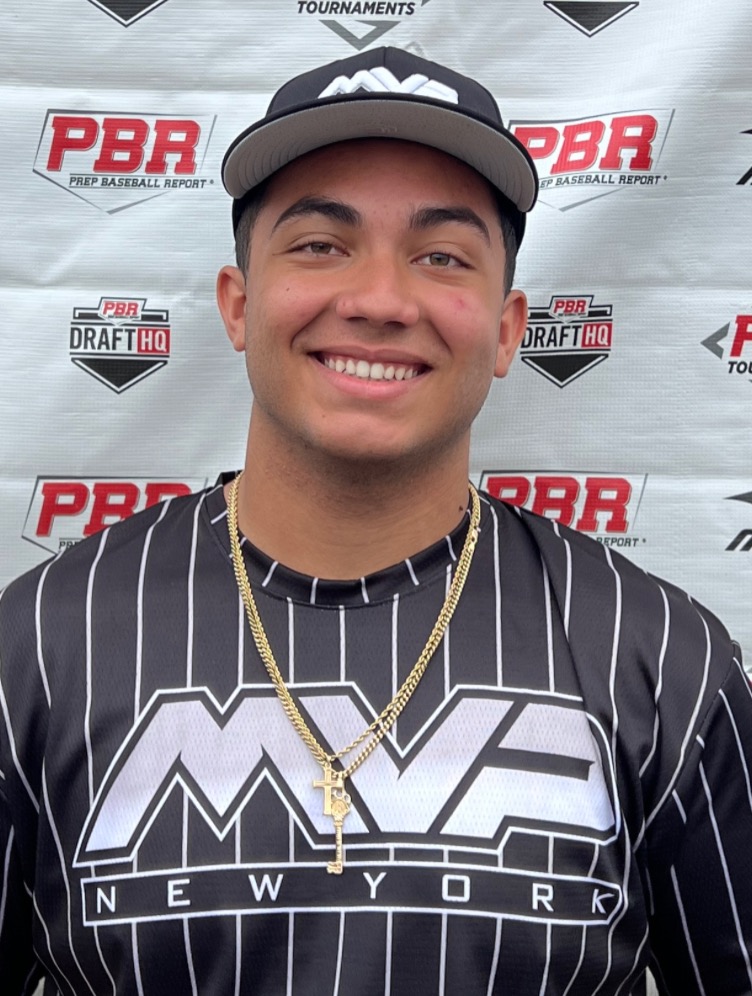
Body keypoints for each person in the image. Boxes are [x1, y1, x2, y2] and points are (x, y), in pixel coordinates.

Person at [1, 46, 751, 996]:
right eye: (321, 245)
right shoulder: (42, 640)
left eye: (441, 257)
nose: (381, 301)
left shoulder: (656, 654)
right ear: (238, 305)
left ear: (507, 329)